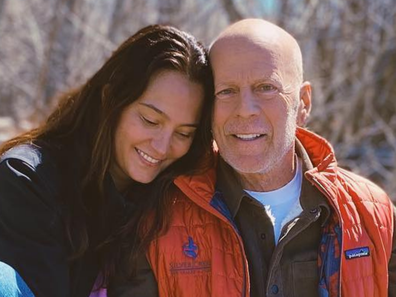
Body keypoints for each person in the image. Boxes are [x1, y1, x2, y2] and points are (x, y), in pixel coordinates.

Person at [141, 19, 396, 297]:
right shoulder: (159, 216)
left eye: (266, 88)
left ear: (303, 103)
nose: (245, 110)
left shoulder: (373, 214)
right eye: (226, 91)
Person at [0, 24, 214, 297]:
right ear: (110, 99)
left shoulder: (173, 197)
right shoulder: (27, 181)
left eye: (184, 133)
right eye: (150, 120)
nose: (162, 147)